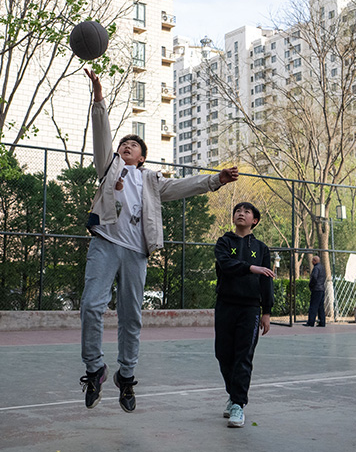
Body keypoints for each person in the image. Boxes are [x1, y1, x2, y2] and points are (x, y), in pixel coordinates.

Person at [79, 68, 240, 413]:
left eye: (133, 145)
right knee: (91, 306)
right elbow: (101, 136)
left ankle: (127, 377)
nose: (126, 146)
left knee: (131, 316)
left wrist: (216, 181)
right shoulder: (109, 169)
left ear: (142, 157)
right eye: (123, 143)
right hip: (106, 243)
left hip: (137, 252)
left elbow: (183, 186)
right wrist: (99, 99)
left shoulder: (151, 181)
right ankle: (94, 369)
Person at [214, 202, 276, 428]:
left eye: (246, 211)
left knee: (244, 356)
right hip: (225, 305)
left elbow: (266, 280)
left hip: (250, 308)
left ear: (255, 221)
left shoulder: (261, 248)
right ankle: (233, 394)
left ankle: (238, 404)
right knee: (223, 355)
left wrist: (266, 311)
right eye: (237, 211)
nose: (241, 213)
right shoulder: (224, 242)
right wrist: (251, 268)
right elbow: (227, 264)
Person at [304, 255, 326, 327]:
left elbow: (314, 277)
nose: (311, 262)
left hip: (316, 289)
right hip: (322, 289)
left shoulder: (316, 268)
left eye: (312, 261)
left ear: (315, 261)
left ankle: (311, 322)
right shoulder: (322, 268)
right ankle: (322, 322)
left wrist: (311, 285)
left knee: (313, 306)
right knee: (321, 307)